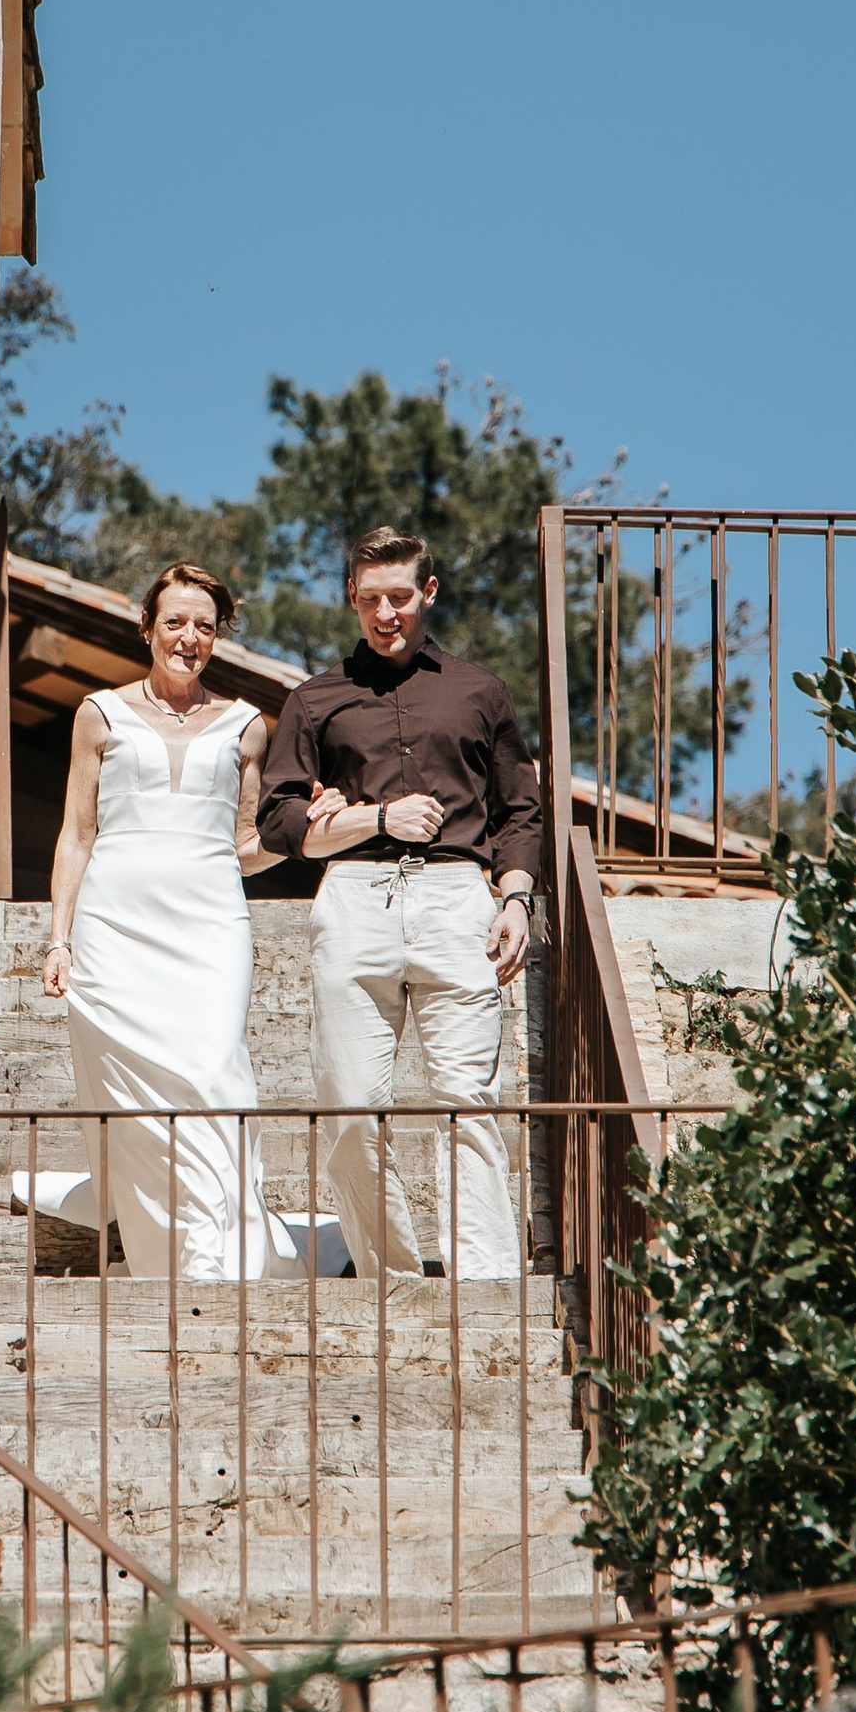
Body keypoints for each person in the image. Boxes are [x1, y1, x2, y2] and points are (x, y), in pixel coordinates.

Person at [256, 525, 544, 1281]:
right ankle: (392, 1279)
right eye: (372, 599)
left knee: (467, 1102)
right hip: (354, 896)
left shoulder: (480, 691)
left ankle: (484, 1287)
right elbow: (278, 818)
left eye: (402, 598)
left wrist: (515, 899)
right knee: (349, 1106)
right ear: (352, 599)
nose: (388, 615)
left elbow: (521, 806)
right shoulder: (314, 700)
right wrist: (365, 818)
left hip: (458, 897)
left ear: (429, 594)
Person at [40, 559, 288, 1281]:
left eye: (204, 627)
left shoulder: (246, 726)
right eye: (174, 622)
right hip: (115, 925)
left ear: (219, 637)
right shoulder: (100, 713)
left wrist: (307, 833)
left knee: (218, 1076)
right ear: (146, 627)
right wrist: (60, 938)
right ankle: (169, 1260)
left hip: (212, 923)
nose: (188, 638)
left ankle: (230, 1256)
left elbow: (246, 847)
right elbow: (76, 834)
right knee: (139, 1100)